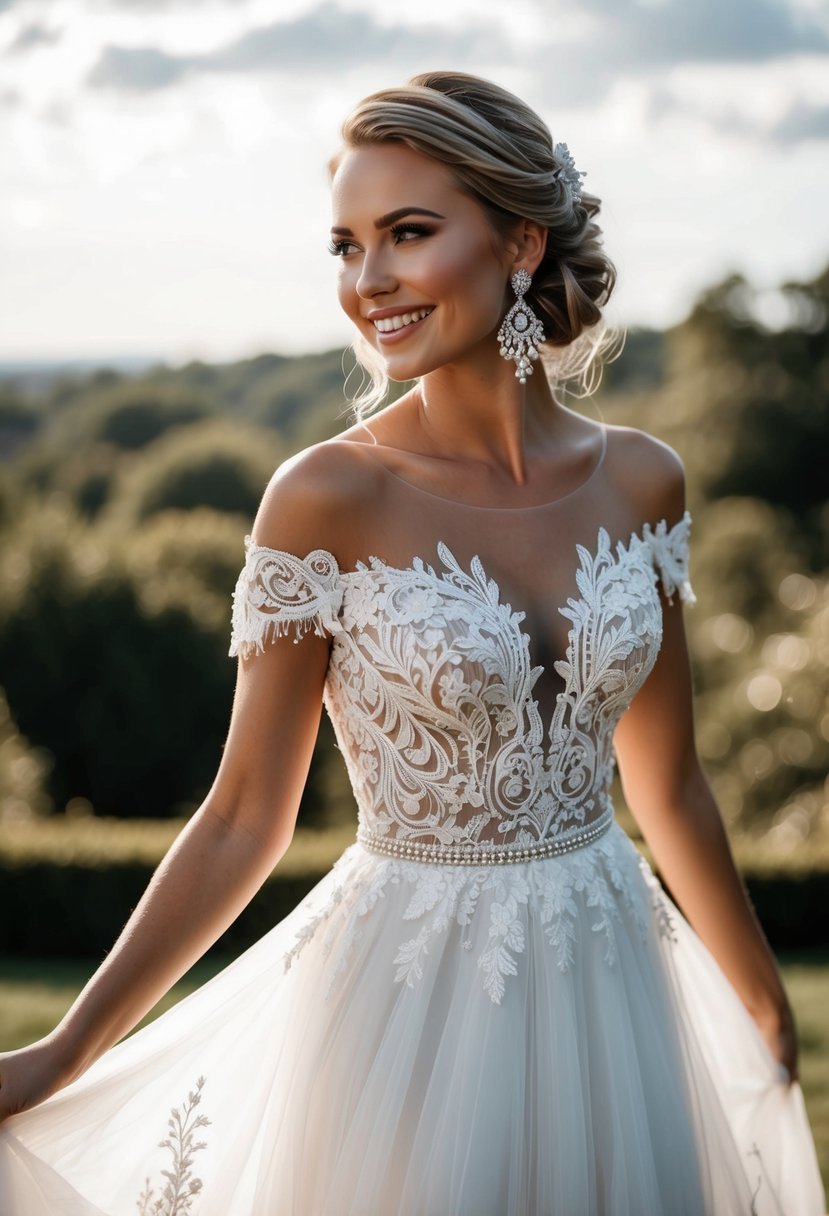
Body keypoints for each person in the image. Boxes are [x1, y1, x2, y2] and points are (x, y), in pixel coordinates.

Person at [0, 71, 823, 1216]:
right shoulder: (324, 498)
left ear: (519, 241)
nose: (366, 281)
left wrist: (759, 996)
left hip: (611, 972)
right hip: (402, 1001)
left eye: (407, 233)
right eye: (345, 244)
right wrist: (63, 1052)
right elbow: (244, 815)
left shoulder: (642, 480)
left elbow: (669, 780)